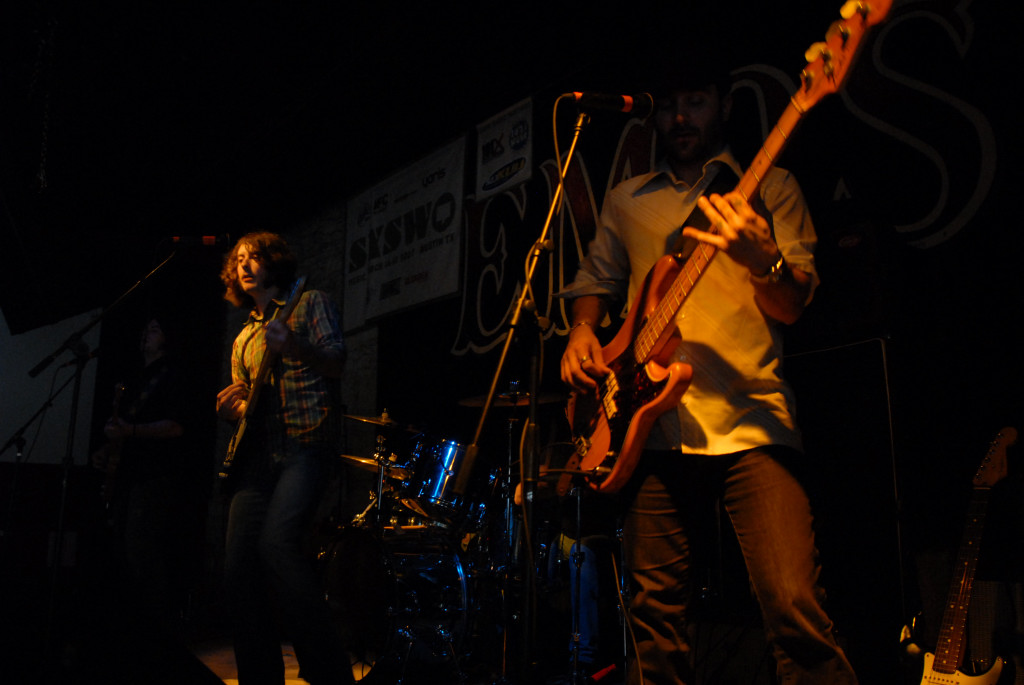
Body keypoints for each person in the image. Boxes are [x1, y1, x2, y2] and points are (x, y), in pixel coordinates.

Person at [559, 62, 858, 685]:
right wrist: (584, 330)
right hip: (649, 433)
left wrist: (763, 261)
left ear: (724, 105)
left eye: (695, 101)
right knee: (653, 623)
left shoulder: (772, 188)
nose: (680, 117)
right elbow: (595, 282)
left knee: (794, 608)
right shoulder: (626, 199)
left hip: (753, 423)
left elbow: (793, 307)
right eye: (670, 104)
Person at [215, 231, 352, 685]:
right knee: (238, 567)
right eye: (238, 259)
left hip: (306, 444)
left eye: (253, 256)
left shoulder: (310, 302)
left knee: (276, 545)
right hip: (258, 458)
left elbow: (336, 362)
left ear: (273, 261)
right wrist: (232, 410)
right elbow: (247, 407)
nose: (244, 264)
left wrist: (295, 347)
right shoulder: (242, 338)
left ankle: (329, 671)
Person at [91, 315, 193, 631]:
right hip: (126, 474)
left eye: (155, 329)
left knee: (142, 551)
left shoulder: (171, 375)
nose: (147, 333)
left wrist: (130, 430)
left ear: (168, 338)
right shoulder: (133, 379)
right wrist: (106, 449)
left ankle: (156, 628)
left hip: (154, 475)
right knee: (120, 549)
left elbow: (175, 426)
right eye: (145, 329)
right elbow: (123, 427)